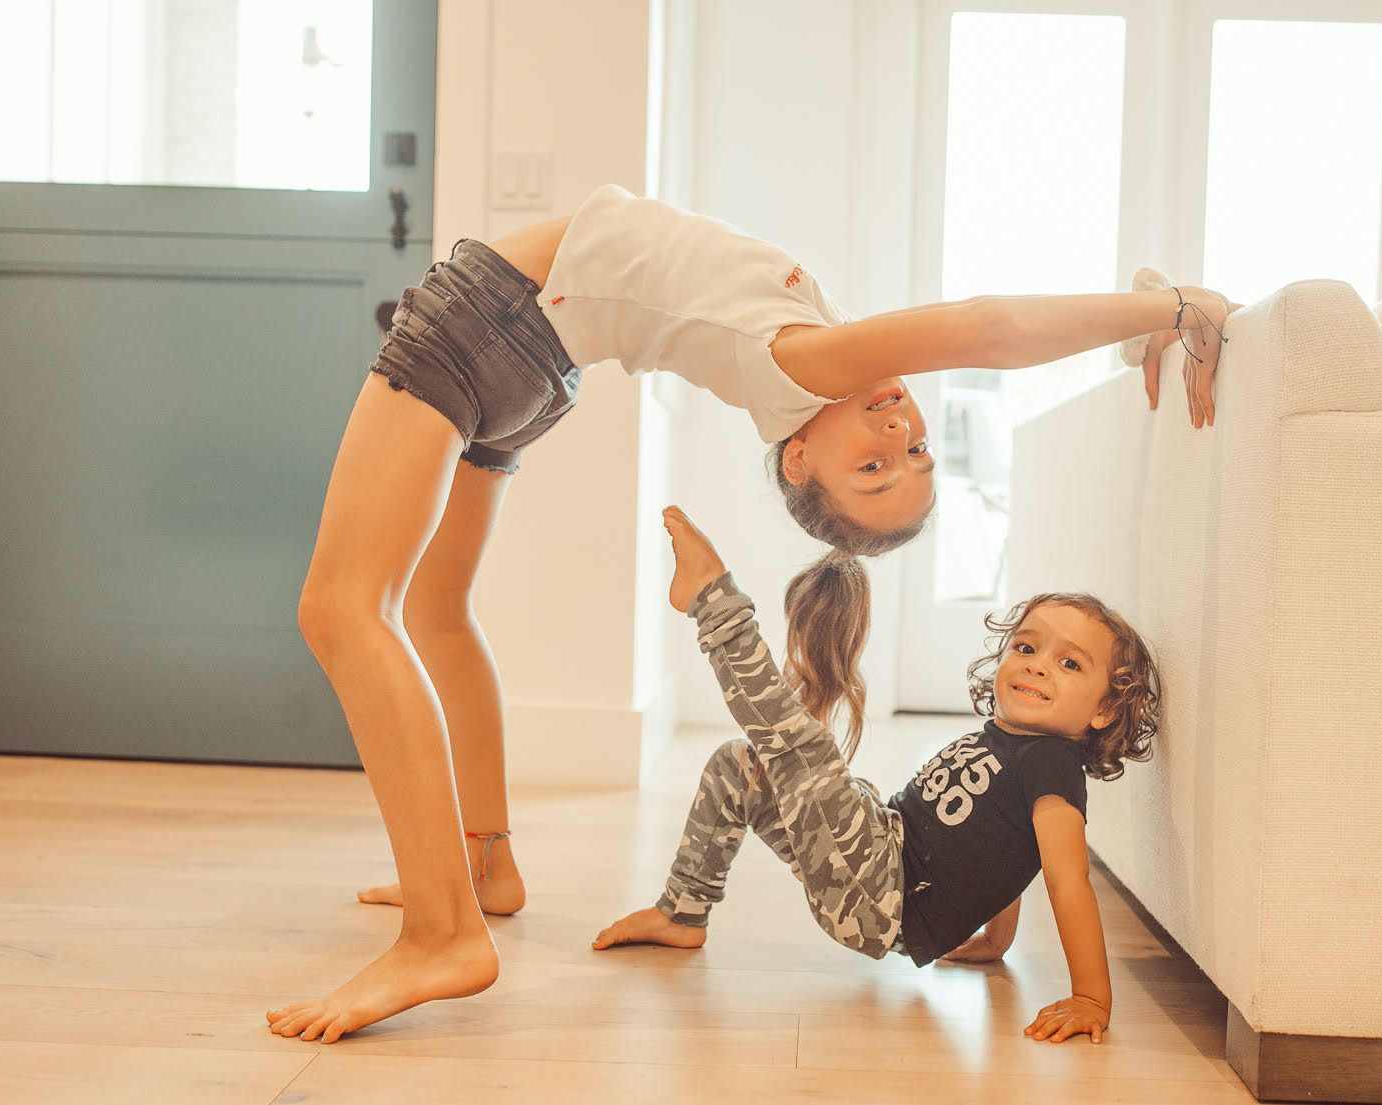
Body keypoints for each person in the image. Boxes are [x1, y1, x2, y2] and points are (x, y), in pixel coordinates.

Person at [267, 183, 1231, 1043]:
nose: (900, 433)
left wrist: (1179, 306)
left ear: (800, 458)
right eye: (911, 453)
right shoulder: (823, 346)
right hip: (538, 364)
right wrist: (1145, 304)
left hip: (491, 324)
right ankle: (482, 864)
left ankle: (442, 930)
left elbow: (990, 329)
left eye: (874, 466)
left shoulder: (809, 364)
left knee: (342, 608)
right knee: (433, 607)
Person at [594, 507, 1161, 1046]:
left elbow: (1068, 880)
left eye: (1069, 663)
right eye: (1027, 646)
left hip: (883, 895)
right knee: (740, 765)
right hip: (878, 851)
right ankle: (682, 911)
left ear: (1104, 710)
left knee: (799, 747)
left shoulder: (1052, 765)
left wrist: (1091, 997)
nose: (1037, 663)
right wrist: (996, 939)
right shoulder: (1008, 742)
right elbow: (1002, 850)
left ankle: (713, 603)